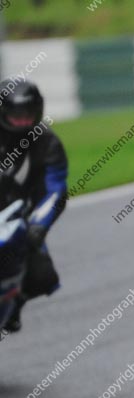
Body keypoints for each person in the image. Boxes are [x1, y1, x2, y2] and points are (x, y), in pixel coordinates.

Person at [0, 80, 68, 333]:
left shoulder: (47, 143)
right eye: (15, 115)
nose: (22, 120)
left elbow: (55, 189)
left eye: (27, 114)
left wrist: (38, 225)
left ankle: (13, 305)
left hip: (17, 216)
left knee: (42, 276)